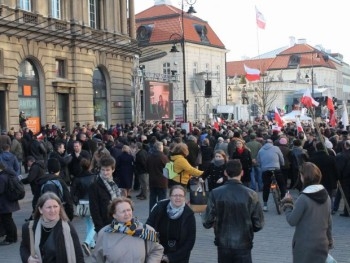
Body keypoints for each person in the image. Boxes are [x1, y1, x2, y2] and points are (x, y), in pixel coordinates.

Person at [202, 159, 264, 263]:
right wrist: (247, 227)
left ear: (225, 172)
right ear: (242, 172)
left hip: (223, 242)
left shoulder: (215, 193)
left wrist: (215, 223)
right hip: (244, 242)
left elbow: (207, 221)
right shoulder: (251, 194)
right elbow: (258, 224)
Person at [281, 162, 333, 263]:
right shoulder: (326, 196)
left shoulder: (304, 198)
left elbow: (292, 220)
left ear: (304, 177)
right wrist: (329, 240)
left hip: (305, 246)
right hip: (322, 243)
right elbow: (329, 220)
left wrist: (288, 204)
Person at [92, 197, 164, 263]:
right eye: (123, 211)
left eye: (129, 210)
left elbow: (156, 250)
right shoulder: (104, 233)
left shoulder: (146, 230)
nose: (127, 214)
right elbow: (97, 258)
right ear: (114, 215)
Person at [20, 192, 85, 263]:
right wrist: (28, 258)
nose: (53, 210)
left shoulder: (67, 227)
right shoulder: (29, 227)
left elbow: (78, 253)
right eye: (49, 207)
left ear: (60, 208)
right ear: (40, 210)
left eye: (55, 206)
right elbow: (24, 247)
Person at [147, 185, 195, 263]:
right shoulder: (159, 208)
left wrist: (171, 257)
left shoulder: (189, 214)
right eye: (175, 195)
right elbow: (148, 227)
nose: (178, 198)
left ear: (184, 198)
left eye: (181, 196)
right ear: (170, 197)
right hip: (158, 254)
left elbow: (190, 241)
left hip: (180, 257)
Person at [70, 158, 96, 256]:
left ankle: (92, 244)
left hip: (81, 203)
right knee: (94, 224)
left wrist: (76, 202)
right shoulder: (94, 177)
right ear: (89, 166)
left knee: (88, 223)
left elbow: (72, 193)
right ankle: (87, 242)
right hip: (92, 203)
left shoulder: (77, 178)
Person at [89, 156, 121, 233]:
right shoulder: (94, 186)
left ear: (113, 170)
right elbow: (94, 210)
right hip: (104, 225)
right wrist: (99, 229)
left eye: (107, 170)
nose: (105, 172)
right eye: (103, 170)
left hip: (118, 223)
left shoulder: (114, 184)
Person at [257, 138, 286, 212]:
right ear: (272, 143)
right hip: (276, 169)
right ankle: (283, 199)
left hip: (266, 170)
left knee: (266, 187)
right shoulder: (276, 148)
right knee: (282, 184)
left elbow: (258, 161)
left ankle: (265, 205)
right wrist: (282, 164)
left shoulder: (261, 150)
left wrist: (262, 166)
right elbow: (281, 158)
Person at [0, 162, 20, 245]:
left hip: (5, 203)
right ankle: (13, 237)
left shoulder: (2, 177)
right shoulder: (7, 174)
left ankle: (10, 238)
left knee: (7, 221)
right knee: (9, 220)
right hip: (9, 203)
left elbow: (0, 190)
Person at [147, 141, 169, 211]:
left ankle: (152, 214)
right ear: (160, 148)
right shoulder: (164, 157)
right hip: (162, 181)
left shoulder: (149, 157)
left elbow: (147, 168)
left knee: (152, 199)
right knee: (162, 200)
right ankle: (161, 214)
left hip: (152, 180)